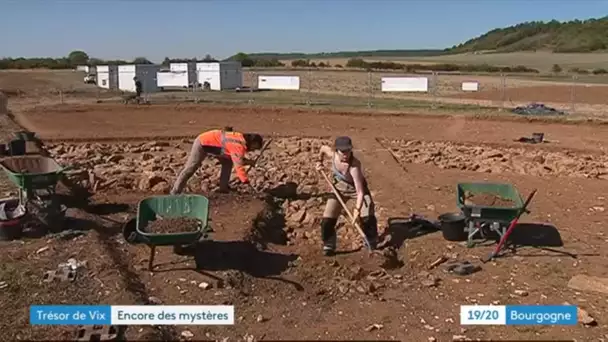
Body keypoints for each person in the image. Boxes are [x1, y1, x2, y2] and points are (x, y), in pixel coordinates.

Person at [315, 136, 378, 256]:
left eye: (348, 151)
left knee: (367, 217)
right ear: (336, 150)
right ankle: (329, 244)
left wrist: (356, 210)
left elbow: (360, 192)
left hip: (356, 190)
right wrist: (319, 161)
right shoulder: (332, 155)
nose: (346, 154)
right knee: (327, 219)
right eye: (342, 151)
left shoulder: (354, 166)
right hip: (338, 189)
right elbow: (323, 148)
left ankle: (371, 242)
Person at [170, 129, 264, 194]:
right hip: (203, 143)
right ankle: (175, 191)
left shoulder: (240, 139)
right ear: (253, 143)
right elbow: (238, 166)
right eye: (255, 148)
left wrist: (249, 162)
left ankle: (223, 188)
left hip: (219, 148)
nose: (253, 150)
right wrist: (245, 182)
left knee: (227, 162)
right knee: (190, 168)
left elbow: (236, 158)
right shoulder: (238, 146)